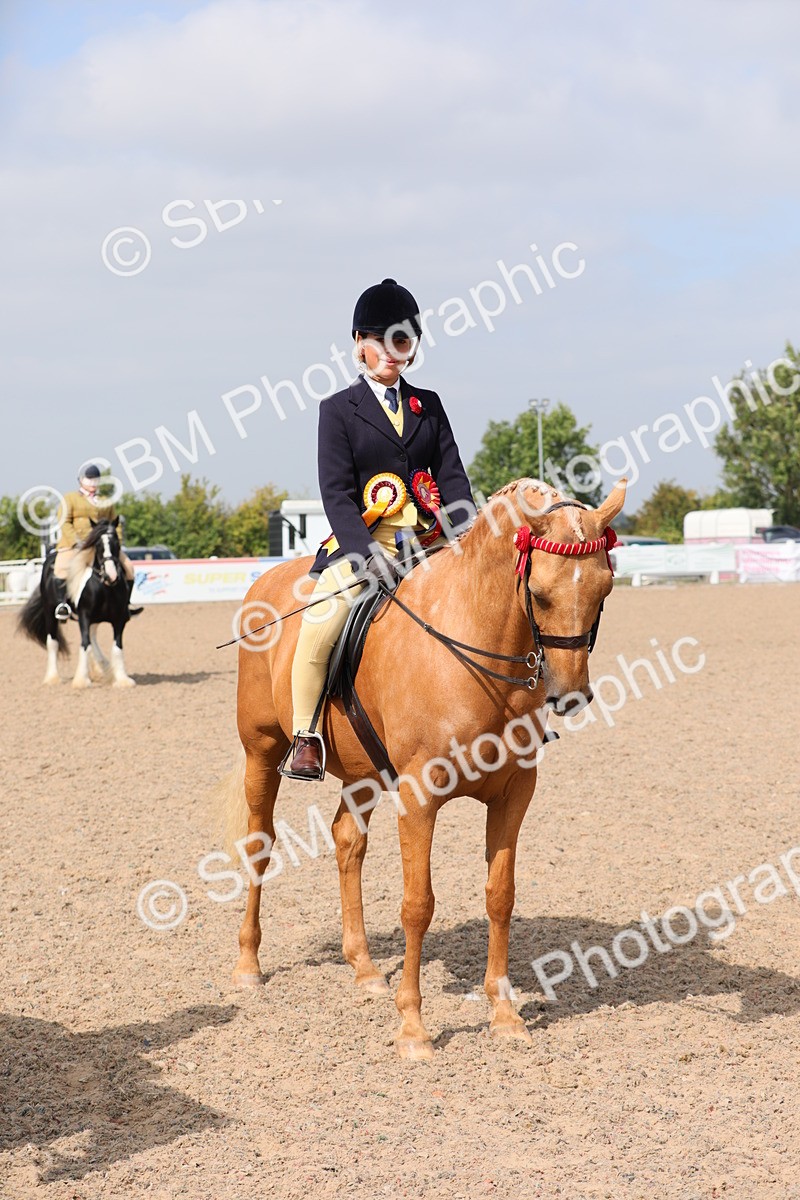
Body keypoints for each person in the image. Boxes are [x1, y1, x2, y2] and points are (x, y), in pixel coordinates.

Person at [285, 278, 475, 779]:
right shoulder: (337, 412)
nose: (393, 352)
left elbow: (454, 481)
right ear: (359, 345)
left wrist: (466, 538)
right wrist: (367, 554)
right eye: (382, 340)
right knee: (321, 621)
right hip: (366, 544)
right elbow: (337, 495)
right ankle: (306, 736)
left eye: (403, 341)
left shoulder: (428, 405)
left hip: (430, 542)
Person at [52, 464, 138, 621]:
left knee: (129, 568)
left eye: (96, 480)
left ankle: (125, 604)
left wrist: (116, 542)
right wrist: (75, 542)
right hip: (76, 544)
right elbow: (64, 521)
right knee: (61, 568)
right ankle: (62, 604)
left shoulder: (105, 500)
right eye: (89, 479)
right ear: (81, 480)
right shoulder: (70, 499)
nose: (92, 483)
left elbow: (114, 523)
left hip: (102, 545)